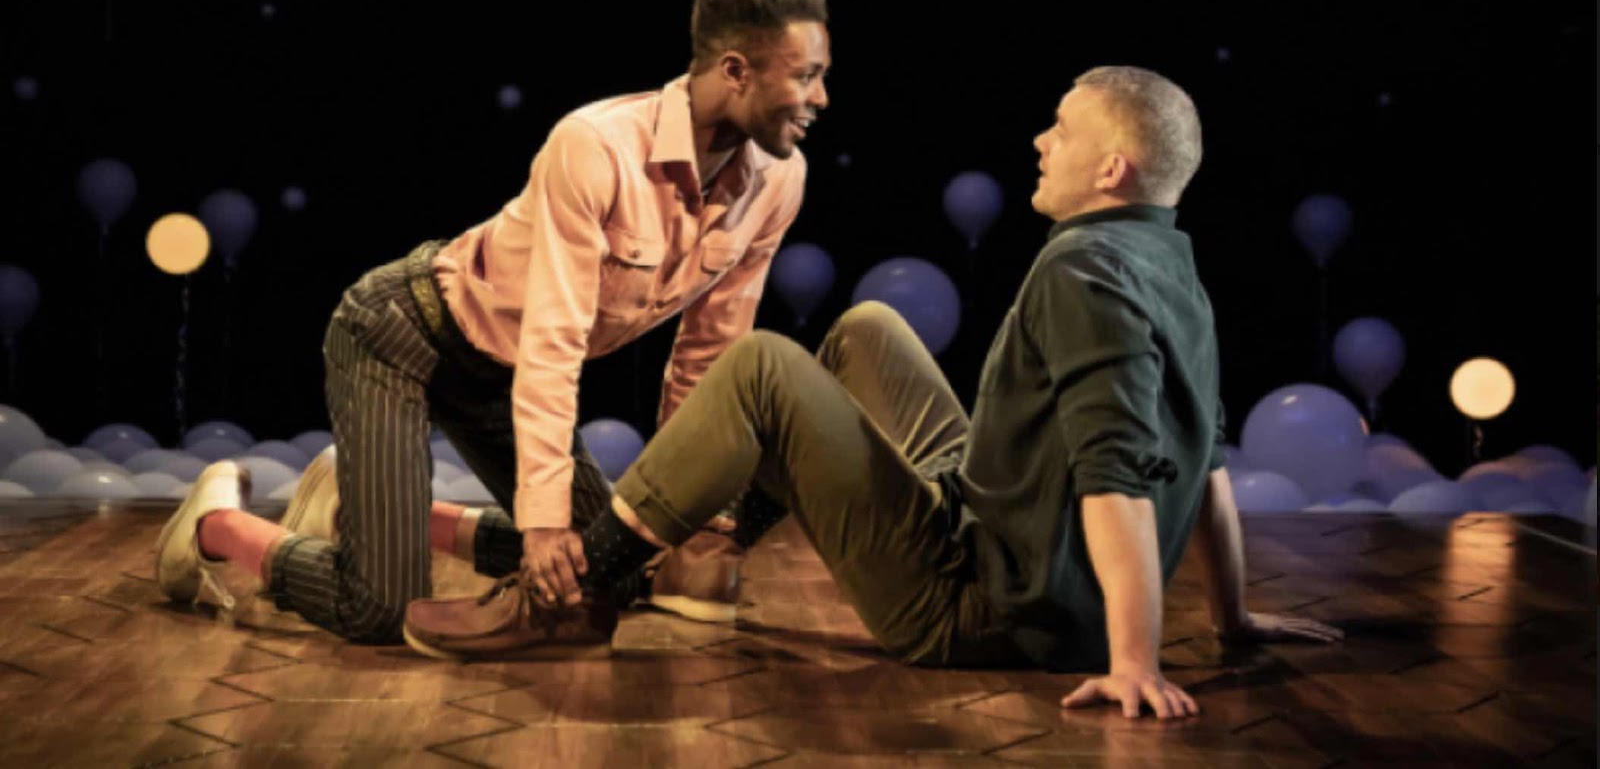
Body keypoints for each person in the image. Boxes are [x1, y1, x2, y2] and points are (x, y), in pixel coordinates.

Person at [403, 65, 1342, 718]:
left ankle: (572, 598)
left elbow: (1117, 472)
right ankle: (695, 548)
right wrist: (1232, 620)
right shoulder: (1172, 264)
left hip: (978, 606)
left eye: (1062, 129)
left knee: (761, 366)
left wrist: (1132, 660)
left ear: (1110, 171)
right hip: (996, 529)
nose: (1039, 139)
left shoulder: (1083, 272)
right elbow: (1206, 460)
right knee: (867, 331)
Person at [154, 0, 832, 642]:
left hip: (502, 379)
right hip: (403, 335)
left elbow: (708, 357)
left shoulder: (780, 180)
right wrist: (542, 527)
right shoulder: (597, 145)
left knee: (617, 573)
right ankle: (214, 522)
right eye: (805, 76)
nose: (822, 97)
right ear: (735, 70)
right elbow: (553, 337)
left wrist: (683, 516)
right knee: (378, 609)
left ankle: (357, 510)